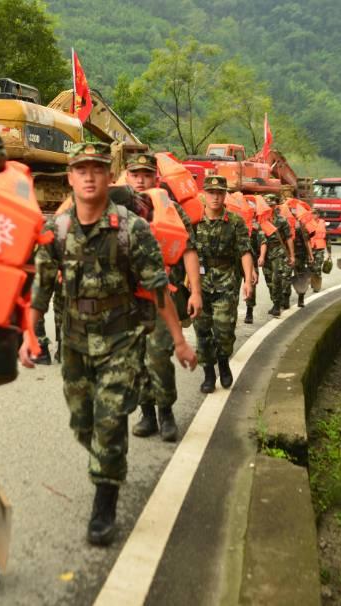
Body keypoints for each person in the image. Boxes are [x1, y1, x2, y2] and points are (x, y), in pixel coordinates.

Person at [19, 142, 197, 546]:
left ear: (106, 175)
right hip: (77, 343)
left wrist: (180, 341)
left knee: (110, 419)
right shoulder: (56, 232)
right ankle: (108, 458)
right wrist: (29, 334)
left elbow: (158, 289)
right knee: (83, 424)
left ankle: (105, 502)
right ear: (70, 178)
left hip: (121, 339)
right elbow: (42, 287)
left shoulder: (134, 230)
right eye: (80, 169)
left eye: (97, 169)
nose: (88, 176)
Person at [124, 152, 203, 442]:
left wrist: (195, 291)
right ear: (127, 176)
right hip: (127, 299)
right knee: (134, 358)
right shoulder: (117, 208)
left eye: (146, 174)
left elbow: (189, 249)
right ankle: (146, 412)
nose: (141, 180)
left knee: (158, 356)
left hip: (161, 296)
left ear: (156, 178)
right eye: (135, 174)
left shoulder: (169, 210)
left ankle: (165, 411)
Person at [193, 176, 255, 392]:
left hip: (226, 282)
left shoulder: (235, 221)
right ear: (204, 194)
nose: (215, 197)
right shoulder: (193, 219)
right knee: (202, 332)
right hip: (198, 283)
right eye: (211, 192)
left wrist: (248, 280)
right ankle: (209, 374)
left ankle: (223, 362)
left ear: (225, 195)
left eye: (220, 193)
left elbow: (245, 251)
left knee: (224, 331)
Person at [264, 194, 294, 317]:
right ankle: (275, 300)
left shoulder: (281, 220)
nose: (269, 207)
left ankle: (277, 305)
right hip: (265, 252)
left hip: (278, 251)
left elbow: (288, 238)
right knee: (268, 280)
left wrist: (292, 255)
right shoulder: (262, 220)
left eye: (271, 205)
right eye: (267, 205)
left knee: (276, 279)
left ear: (275, 206)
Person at [244, 199, 266, 324]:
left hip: (251, 259)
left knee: (251, 284)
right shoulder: (236, 223)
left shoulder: (256, 226)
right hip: (237, 260)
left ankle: (249, 311)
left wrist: (261, 257)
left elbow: (263, 242)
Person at [309, 209, 331, 292]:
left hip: (320, 248)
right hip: (310, 248)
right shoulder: (308, 223)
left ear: (318, 214)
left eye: (315, 213)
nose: (313, 215)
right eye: (312, 213)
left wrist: (329, 252)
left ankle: (316, 285)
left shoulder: (323, 223)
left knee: (317, 267)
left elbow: (327, 239)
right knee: (311, 267)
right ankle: (313, 281)